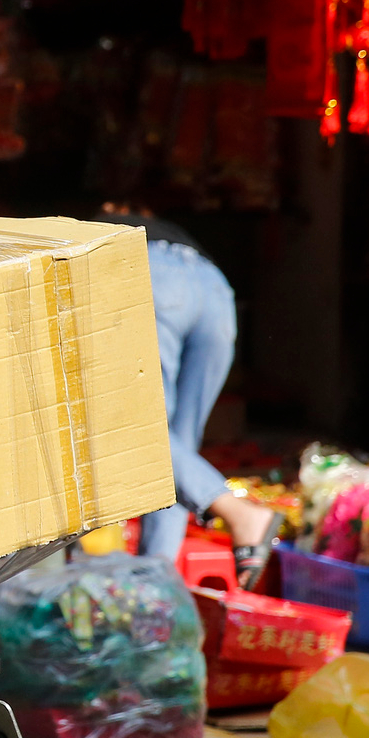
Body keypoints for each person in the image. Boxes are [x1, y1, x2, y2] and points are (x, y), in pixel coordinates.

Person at [96, 204, 278, 577]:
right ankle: (155, 575)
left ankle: (236, 512)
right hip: (214, 288)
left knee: (138, 430)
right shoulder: (166, 226)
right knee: (176, 441)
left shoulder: (91, 226)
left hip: (152, 279)